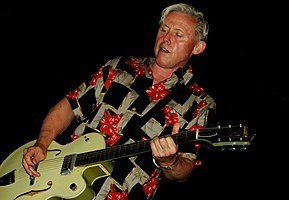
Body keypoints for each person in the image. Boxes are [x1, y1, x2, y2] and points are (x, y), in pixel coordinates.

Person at [22, 3, 216, 200]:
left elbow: (185, 169)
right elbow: (70, 105)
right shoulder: (120, 67)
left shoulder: (199, 102)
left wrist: (170, 161)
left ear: (198, 47)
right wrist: (42, 144)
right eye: (164, 29)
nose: (166, 38)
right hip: (58, 183)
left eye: (178, 34)